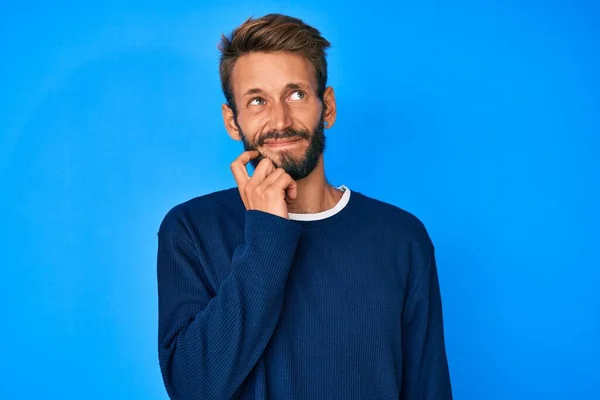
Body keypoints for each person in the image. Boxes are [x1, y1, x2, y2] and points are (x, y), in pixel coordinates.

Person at [156, 13, 452, 399]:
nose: (280, 120)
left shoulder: (400, 237)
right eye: (258, 100)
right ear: (233, 121)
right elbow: (193, 388)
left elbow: (428, 389)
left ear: (326, 106)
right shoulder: (191, 229)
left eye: (296, 94)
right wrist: (266, 233)